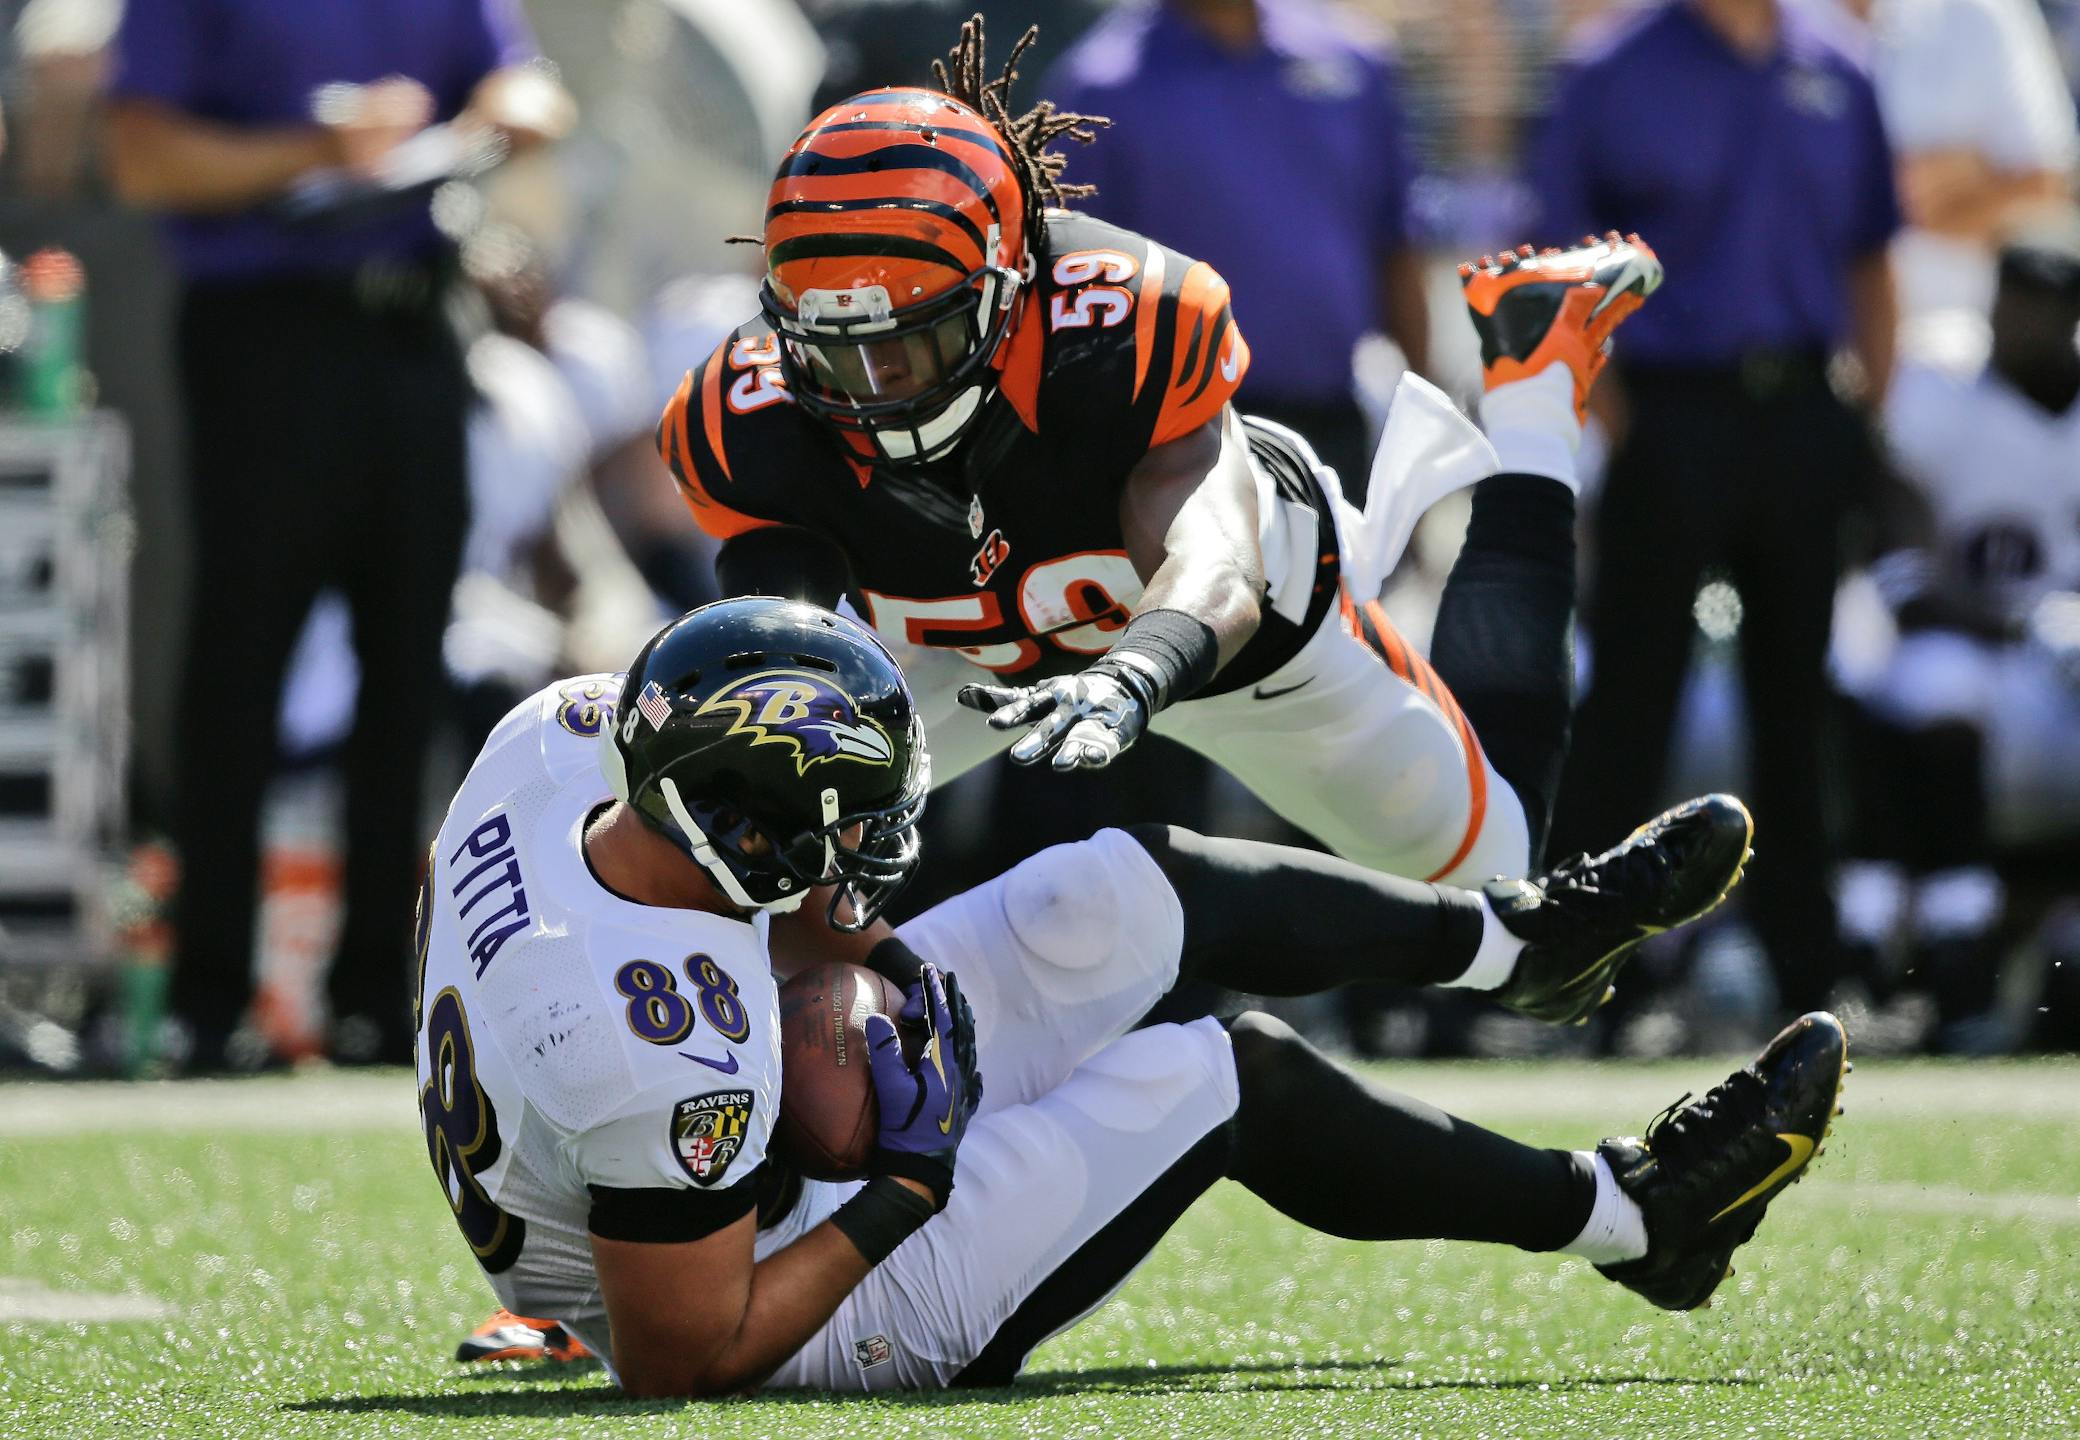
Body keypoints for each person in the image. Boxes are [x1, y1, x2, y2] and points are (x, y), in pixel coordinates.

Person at [421, 595, 1837, 1391]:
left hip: (688, 1091)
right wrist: (904, 1188)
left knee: (1121, 891)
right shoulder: (647, 1049)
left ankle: (1521, 942)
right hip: (725, 1279)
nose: (871, 857)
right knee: (1217, 1075)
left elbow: (670, 922)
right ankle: (1635, 1218)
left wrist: (850, 960)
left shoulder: (569, 744)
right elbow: (689, 1360)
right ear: (741, 836)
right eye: (843, 826)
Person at [659, 19, 1665, 906]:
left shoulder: (1117, 328)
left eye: (911, 343)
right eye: (839, 351)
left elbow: (1213, 558)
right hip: (981, 661)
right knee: (749, 820)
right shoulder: (749, 415)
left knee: (1499, 876)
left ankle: (1533, 386)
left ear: (1007, 289)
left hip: (1243, 645)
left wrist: (1135, 675)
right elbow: (774, 646)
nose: (873, 387)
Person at [103, 0, 571, 1069]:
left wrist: (495, 115)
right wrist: (323, 148)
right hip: (267, 334)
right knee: (240, 666)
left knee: (410, 669)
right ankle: (208, 1001)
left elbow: (530, 85)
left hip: (412, 331)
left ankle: (379, 999)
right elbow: (141, 158)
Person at [1532, 0, 1902, 1013]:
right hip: (1669, 410)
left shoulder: (1840, 63)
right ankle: (1577, 973)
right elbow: (1562, 266)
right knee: (1629, 708)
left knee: (1799, 707)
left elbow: (1871, 253)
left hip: (1804, 416)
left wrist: (1872, 411)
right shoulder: (1609, 69)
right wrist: (1619, 422)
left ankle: (1810, 979)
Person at [1842, 211, 2080, 1048]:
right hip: (1974, 636)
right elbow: (1899, 541)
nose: (2008, 320)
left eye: (2032, 306)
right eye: (2005, 298)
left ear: (2077, 316)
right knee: (1931, 688)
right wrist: (2026, 628)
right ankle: (1955, 944)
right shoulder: (1938, 377)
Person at [1044, 0, 1432, 492]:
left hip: (1334, 426)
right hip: (1175, 445)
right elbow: (1069, 290)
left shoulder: (1354, 60)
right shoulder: (1100, 87)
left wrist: (1423, 433)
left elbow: (1396, 245)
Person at [1855, 0, 2080, 318]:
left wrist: (1892, 199)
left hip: (1959, 340)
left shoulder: (1984, 12)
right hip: (1814, 341)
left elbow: (2048, 192)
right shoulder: (1777, 16)